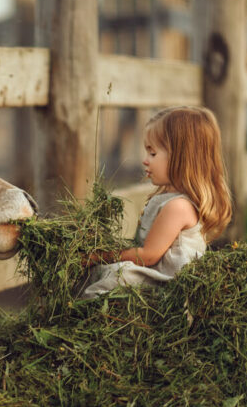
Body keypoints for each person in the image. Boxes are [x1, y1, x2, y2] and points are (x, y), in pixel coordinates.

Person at [82, 106, 232, 297]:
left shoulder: (178, 207)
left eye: (152, 154)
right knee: (110, 273)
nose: (145, 160)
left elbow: (148, 255)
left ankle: (87, 317)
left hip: (167, 286)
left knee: (115, 277)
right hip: (156, 273)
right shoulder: (170, 200)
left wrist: (98, 257)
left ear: (182, 158)